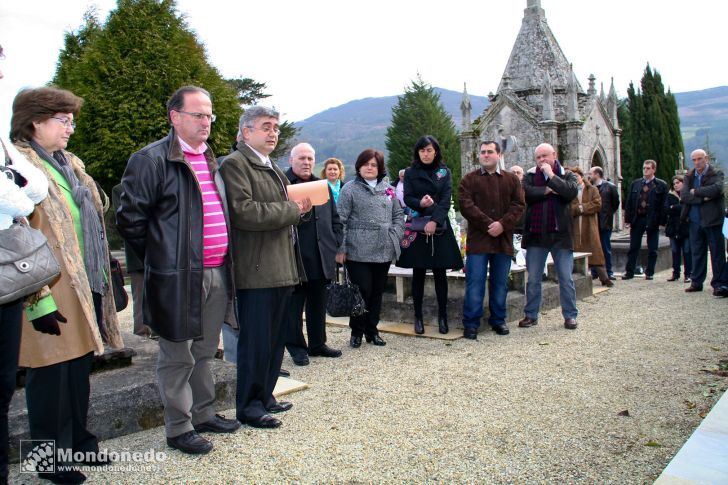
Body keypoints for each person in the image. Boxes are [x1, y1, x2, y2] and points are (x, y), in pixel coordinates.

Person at [117, 86, 240, 455]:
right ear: (175, 116)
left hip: (217, 271)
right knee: (177, 355)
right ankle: (178, 427)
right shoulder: (152, 159)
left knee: (204, 349)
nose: (206, 122)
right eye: (198, 114)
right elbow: (130, 220)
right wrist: (164, 259)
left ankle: (203, 414)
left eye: (209, 115)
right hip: (178, 276)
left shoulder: (210, 159)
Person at [12, 86, 123, 484]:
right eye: (63, 120)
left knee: (78, 368)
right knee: (49, 372)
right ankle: (48, 460)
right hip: (45, 284)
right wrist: (37, 300)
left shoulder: (68, 162)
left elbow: (96, 208)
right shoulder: (18, 165)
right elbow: (17, 227)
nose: (70, 128)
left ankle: (79, 444)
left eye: (71, 120)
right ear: (34, 122)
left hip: (83, 279)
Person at [219, 106, 311, 429]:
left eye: (276, 127)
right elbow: (244, 212)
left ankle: (266, 396)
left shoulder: (271, 166)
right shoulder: (235, 165)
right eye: (266, 127)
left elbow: (286, 209)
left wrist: (303, 209)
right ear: (246, 132)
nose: (273, 133)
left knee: (274, 339)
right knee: (256, 342)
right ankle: (248, 406)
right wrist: (290, 210)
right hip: (256, 269)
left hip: (282, 265)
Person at [0, 44, 50, 485]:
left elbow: (34, 188)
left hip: (8, 267)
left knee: (1, 383)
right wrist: (12, 190)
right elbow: (16, 195)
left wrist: (12, 188)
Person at [335, 148, 405, 348]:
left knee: (376, 292)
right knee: (361, 290)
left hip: (383, 248)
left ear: (380, 168)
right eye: (366, 163)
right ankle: (356, 331)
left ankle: (372, 331)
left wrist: (395, 234)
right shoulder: (350, 188)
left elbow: (398, 216)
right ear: (359, 166)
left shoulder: (388, 189)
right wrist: (341, 248)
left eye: (374, 164)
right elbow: (341, 219)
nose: (369, 167)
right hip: (357, 248)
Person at [396, 135, 463, 335]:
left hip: (439, 226)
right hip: (417, 226)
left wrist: (435, 220)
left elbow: (445, 198)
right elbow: (407, 197)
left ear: (436, 152)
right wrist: (420, 204)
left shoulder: (444, 172)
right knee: (418, 274)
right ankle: (418, 318)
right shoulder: (410, 172)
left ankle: (443, 317)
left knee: (440, 273)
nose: (426, 154)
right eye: (422, 150)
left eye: (429, 150)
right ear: (418, 152)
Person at [284, 143, 343, 366]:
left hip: (321, 255)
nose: (306, 162)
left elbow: (334, 217)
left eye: (310, 158)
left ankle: (317, 344)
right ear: (291, 161)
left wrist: (335, 240)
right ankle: (297, 348)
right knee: (294, 307)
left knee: (318, 304)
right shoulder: (283, 184)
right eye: (302, 158)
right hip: (296, 256)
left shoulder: (323, 185)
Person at [459, 141, 524, 339]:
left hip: (502, 241)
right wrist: (490, 224)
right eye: (482, 152)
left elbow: (519, 205)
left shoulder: (511, 180)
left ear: (498, 155)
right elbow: (466, 206)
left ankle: (498, 320)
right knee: (475, 282)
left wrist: (502, 225)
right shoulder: (469, 180)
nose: (485, 155)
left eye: (490, 152)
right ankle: (471, 324)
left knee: (500, 283)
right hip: (479, 240)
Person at [520, 143, 579, 330]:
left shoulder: (566, 174)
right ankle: (531, 314)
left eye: (545, 156)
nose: (541, 160)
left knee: (565, 278)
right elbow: (526, 194)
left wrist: (552, 178)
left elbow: (569, 192)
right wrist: (548, 190)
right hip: (536, 235)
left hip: (560, 235)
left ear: (554, 155)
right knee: (533, 278)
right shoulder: (529, 176)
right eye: (538, 157)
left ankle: (570, 316)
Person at [681, 149, 725, 294]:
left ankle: (719, 283)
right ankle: (696, 281)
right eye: (693, 160)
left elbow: (717, 189)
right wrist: (703, 198)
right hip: (694, 220)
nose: (696, 162)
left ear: (706, 158)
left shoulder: (715, 173)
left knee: (716, 253)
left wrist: (697, 191)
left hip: (712, 219)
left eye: (699, 159)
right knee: (697, 252)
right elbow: (685, 195)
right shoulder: (689, 176)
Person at [111, 184, 151, 337]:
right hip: (138, 254)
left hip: (161, 254)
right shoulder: (121, 189)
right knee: (141, 299)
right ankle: (143, 335)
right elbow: (123, 222)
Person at [622, 160, 668, 280]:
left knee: (652, 247)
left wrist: (662, 222)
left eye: (648, 168)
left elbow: (664, 205)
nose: (645, 170)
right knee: (633, 246)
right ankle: (629, 271)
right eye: (644, 168)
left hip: (652, 219)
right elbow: (629, 203)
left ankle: (650, 272)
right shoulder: (636, 184)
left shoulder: (661, 185)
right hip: (638, 219)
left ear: (653, 169)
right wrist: (628, 219)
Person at [568, 166, 613, 287]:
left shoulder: (592, 189)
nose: (575, 179)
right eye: (572, 177)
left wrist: (582, 208)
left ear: (581, 177)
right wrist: (579, 209)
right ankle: (577, 278)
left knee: (595, 252)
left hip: (590, 225)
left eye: (576, 176)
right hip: (575, 226)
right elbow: (569, 209)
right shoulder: (570, 192)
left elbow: (597, 204)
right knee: (576, 250)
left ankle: (604, 278)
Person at [588, 166, 620, 280]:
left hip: (605, 222)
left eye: (590, 173)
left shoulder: (610, 187)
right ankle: (595, 272)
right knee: (593, 248)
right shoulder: (589, 188)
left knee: (605, 248)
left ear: (597, 174)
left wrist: (608, 214)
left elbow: (615, 203)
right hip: (592, 223)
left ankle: (609, 272)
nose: (589, 176)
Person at [664, 175, 692, 282]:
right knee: (675, 251)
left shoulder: (687, 194)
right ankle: (675, 274)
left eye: (678, 183)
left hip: (685, 226)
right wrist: (677, 207)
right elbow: (666, 209)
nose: (675, 185)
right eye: (674, 183)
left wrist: (674, 207)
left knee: (686, 251)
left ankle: (688, 274)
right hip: (673, 227)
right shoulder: (670, 196)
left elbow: (687, 208)